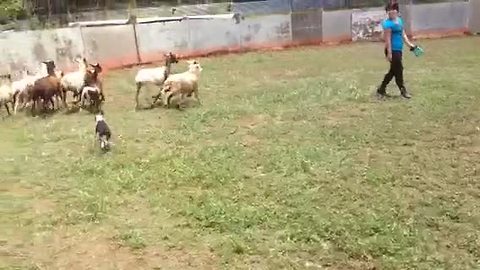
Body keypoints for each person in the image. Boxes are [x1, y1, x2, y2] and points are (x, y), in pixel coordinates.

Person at [377, 2, 417, 99]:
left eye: (394, 9)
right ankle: (403, 91)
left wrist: (411, 45)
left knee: (393, 71)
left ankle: (381, 89)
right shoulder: (387, 24)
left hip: (398, 49)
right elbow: (388, 40)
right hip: (392, 49)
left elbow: (403, 35)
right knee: (399, 70)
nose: (392, 12)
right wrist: (389, 53)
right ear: (387, 12)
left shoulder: (399, 21)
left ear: (397, 11)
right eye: (389, 10)